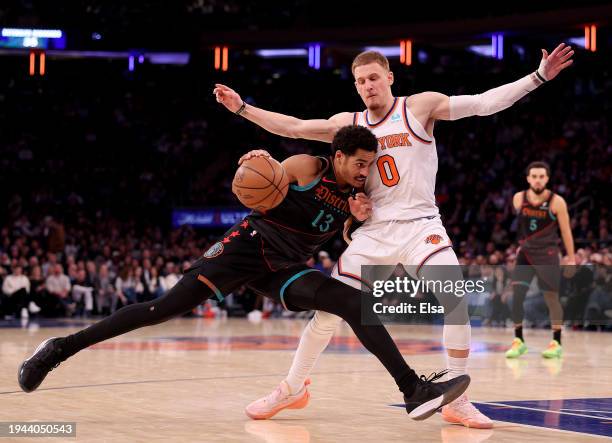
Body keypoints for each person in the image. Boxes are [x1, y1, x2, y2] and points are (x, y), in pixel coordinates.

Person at [214, 42, 574, 428]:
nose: (367, 86)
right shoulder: (348, 125)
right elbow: (295, 126)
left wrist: (537, 77)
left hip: (421, 226)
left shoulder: (419, 106)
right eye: (360, 81)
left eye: (373, 78)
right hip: (373, 232)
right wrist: (241, 108)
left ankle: (458, 399)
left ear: (389, 77)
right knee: (328, 313)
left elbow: (483, 103)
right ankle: (292, 387)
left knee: (455, 299)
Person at [18, 126, 470, 423]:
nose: (365, 170)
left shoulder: (355, 195)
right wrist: (259, 162)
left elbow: (346, 235)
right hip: (244, 250)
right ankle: (59, 348)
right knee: (161, 309)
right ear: (338, 156)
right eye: (359, 162)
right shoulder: (309, 167)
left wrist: (355, 220)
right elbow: (268, 175)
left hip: (284, 268)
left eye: (370, 164)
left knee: (352, 302)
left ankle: (411, 389)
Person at [506, 161, 576, 359]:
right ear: (528, 178)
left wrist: (571, 258)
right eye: (534, 176)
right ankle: (518, 340)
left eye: (541, 176)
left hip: (548, 255)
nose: (538, 180)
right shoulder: (518, 198)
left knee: (551, 298)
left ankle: (556, 342)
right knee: (516, 296)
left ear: (547, 178)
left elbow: (566, 231)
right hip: (526, 253)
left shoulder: (557, 202)